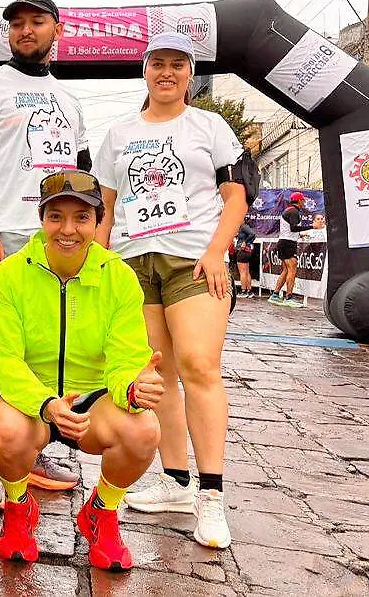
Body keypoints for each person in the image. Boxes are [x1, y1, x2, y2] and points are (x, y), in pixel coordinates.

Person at [93, 32, 249, 549]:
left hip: (193, 261)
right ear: (144, 70)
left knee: (201, 366)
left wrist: (216, 251)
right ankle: (177, 481)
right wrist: (98, 263)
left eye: (177, 65)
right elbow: (107, 208)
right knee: (158, 374)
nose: (167, 73)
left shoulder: (210, 125)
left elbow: (235, 197)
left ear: (189, 73)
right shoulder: (117, 133)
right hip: (134, 264)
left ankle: (212, 496)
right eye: (157, 63)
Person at [0, 170, 162, 571]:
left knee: (144, 429)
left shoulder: (119, 278)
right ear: (42, 219)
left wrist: (132, 390)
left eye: (81, 218)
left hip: (93, 399)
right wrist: (45, 403)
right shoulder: (9, 275)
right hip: (33, 397)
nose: (68, 230)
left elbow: (126, 358)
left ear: (99, 221)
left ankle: (102, 510)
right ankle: (17, 505)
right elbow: (7, 359)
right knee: (5, 429)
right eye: (56, 217)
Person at [0, 0, 88, 506]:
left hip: (56, 239)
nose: (26, 31)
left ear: (57, 29)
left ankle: (30, 449)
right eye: (17, 24)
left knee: (38, 351)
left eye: (37, 22)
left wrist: (88, 236)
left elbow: (81, 175)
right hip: (5, 234)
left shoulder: (70, 100)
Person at [269, 192, 321, 307]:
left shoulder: (289, 210)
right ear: (299, 201)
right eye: (303, 200)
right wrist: (313, 227)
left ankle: (275, 295)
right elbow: (293, 228)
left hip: (285, 242)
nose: (304, 202)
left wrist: (301, 235)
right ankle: (288, 297)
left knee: (286, 270)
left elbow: (290, 230)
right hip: (287, 243)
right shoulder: (294, 211)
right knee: (292, 269)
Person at [233, 223, 257, 298]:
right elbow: (253, 235)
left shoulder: (243, 226)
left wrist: (245, 242)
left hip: (243, 251)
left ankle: (243, 291)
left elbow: (253, 234)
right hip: (246, 251)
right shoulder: (243, 227)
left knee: (242, 272)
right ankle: (249, 291)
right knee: (246, 272)